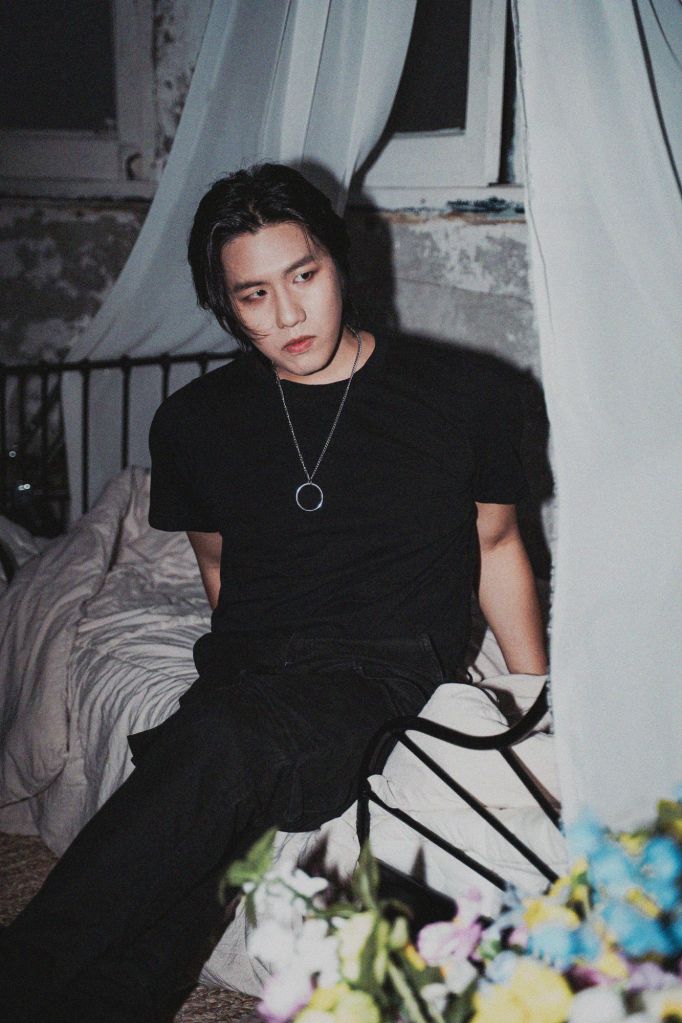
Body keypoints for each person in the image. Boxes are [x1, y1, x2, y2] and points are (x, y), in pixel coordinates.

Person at [0, 163, 547, 1022]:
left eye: (304, 275)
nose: (288, 315)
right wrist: (251, 669)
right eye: (254, 295)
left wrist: (533, 691)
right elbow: (221, 571)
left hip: (384, 670)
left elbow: (498, 542)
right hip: (253, 672)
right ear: (225, 306)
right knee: (204, 812)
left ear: (341, 263)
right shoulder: (193, 423)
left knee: (218, 742)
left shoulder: (465, 394)